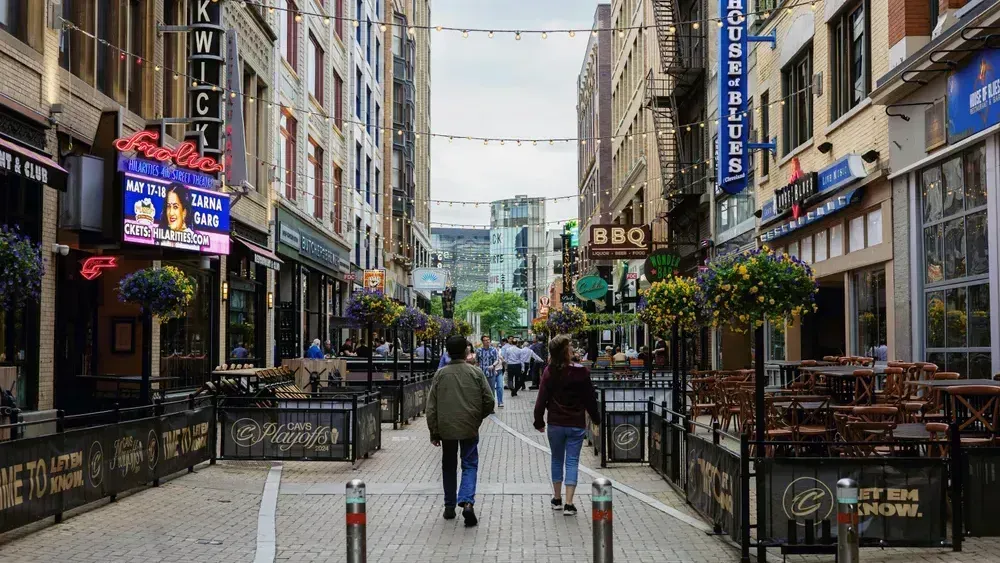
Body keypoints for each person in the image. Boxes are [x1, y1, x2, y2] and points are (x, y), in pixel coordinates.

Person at [426, 335, 496, 527]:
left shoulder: (440, 375)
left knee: (448, 466)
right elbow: (489, 401)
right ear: (466, 351)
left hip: (446, 428)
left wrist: (434, 431)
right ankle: (467, 502)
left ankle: (449, 506)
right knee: (469, 464)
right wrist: (477, 418)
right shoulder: (476, 373)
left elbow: (431, 407)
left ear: (448, 352)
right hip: (469, 427)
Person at [533, 335, 599, 516]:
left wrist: (539, 421)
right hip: (576, 423)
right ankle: (569, 503)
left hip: (555, 423)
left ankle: (557, 498)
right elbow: (590, 399)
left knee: (556, 459)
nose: (571, 348)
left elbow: (541, 399)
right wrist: (596, 419)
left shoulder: (549, 372)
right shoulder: (581, 372)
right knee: (572, 461)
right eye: (569, 346)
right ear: (565, 351)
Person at [476, 335, 503, 408]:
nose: (487, 341)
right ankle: (483, 406)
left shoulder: (493, 350)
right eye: (485, 340)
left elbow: (497, 360)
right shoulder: (478, 350)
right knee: (482, 390)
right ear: (482, 342)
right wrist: (477, 369)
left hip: (491, 373)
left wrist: (493, 365)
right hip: (481, 374)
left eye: (488, 340)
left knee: (491, 390)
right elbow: (477, 361)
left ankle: (491, 407)